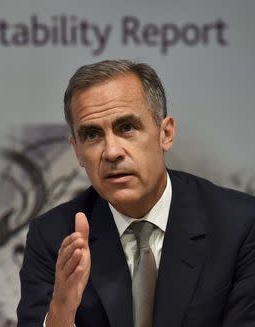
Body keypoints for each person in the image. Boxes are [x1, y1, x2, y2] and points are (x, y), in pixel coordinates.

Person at [16, 59, 255, 327]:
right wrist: (62, 310)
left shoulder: (239, 225)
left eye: (126, 127)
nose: (111, 152)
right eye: (92, 134)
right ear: (77, 150)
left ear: (165, 133)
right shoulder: (53, 236)